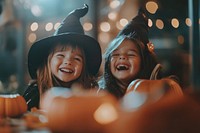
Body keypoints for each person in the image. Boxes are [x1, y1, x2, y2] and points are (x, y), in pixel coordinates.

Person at [23, 4, 102, 110]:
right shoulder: (36, 91)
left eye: (77, 59)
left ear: (84, 66)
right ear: (48, 60)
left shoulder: (90, 91)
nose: (68, 62)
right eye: (60, 55)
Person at [98, 8, 182, 99]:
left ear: (144, 60)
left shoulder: (160, 91)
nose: (122, 57)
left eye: (130, 54)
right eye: (115, 54)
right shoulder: (99, 93)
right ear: (108, 63)